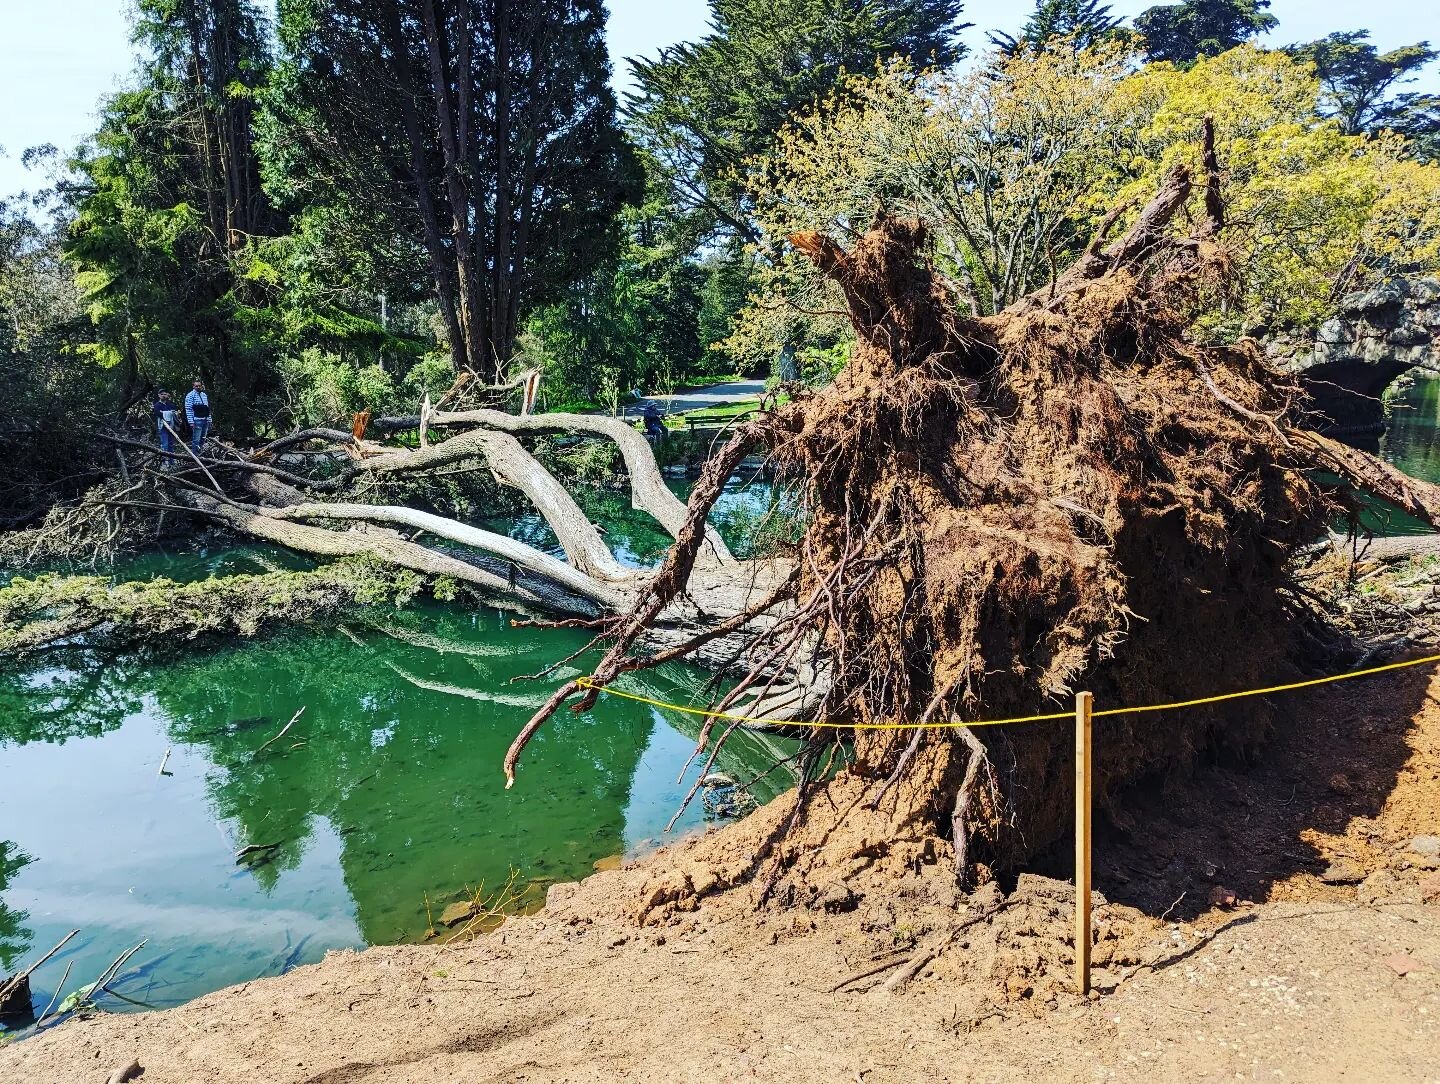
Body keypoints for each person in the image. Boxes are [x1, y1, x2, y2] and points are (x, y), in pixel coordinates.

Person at [184, 378, 213, 453]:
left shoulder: (204, 395)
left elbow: (207, 408)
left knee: (203, 439)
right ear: (193, 386)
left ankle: (200, 454)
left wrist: (209, 420)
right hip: (197, 420)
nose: (198, 387)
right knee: (196, 439)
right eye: (196, 386)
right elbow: (188, 409)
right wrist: (191, 422)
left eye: (199, 386)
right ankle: (195, 456)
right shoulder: (190, 395)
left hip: (205, 420)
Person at [152, 390, 179, 455]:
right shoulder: (157, 405)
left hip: (171, 426)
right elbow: (158, 413)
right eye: (162, 394)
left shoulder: (170, 404)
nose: (163, 395)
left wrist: (163, 412)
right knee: (164, 444)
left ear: (167, 395)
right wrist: (169, 413)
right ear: (159, 395)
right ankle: (164, 461)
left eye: (165, 394)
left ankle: (171, 461)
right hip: (162, 426)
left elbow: (174, 412)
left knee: (171, 444)